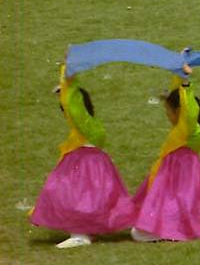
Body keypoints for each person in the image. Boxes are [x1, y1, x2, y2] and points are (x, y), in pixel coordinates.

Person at [31, 66, 137, 248]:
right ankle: (86, 230)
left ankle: (80, 234)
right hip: (92, 164)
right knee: (89, 199)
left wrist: (68, 80)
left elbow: (75, 108)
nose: (66, 115)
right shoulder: (90, 124)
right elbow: (75, 107)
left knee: (75, 197)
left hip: (85, 165)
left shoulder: (85, 124)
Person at [131, 66, 200, 241]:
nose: (167, 115)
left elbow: (189, 110)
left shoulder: (187, 129)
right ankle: (170, 229)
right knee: (139, 229)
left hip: (180, 189)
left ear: (178, 112)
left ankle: (172, 231)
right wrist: (179, 72)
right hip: (176, 188)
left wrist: (186, 83)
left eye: (168, 111)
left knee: (138, 233)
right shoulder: (183, 130)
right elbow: (180, 98)